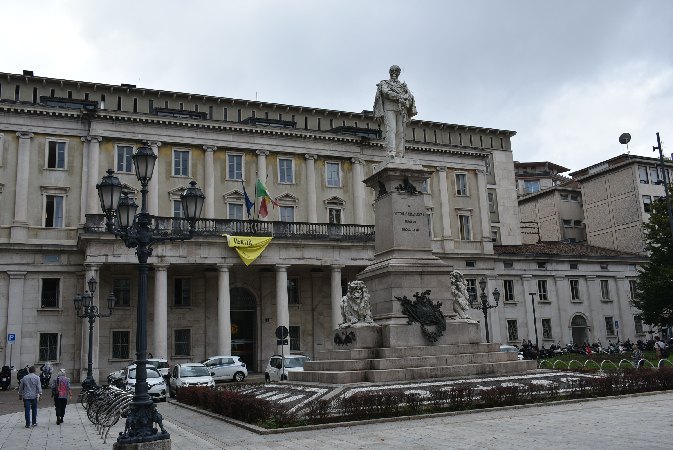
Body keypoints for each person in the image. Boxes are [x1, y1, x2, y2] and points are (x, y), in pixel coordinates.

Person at [373, 65, 417, 158]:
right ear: (390, 73)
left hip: (401, 109)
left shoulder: (403, 86)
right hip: (389, 108)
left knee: (400, 132)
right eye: (393, 71)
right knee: (391, 129)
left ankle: (399, 153)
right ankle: (391, 152)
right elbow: (386, 92)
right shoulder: (384, 83)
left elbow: (410, 96)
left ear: (399, 74)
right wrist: (399, 97)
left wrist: (407, 97)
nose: (394, 74)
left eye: (396, 72)